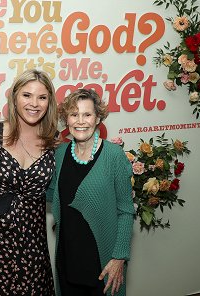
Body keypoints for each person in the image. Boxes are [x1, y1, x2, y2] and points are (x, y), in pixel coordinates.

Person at [0, 69, 58, 295]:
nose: (34, 103)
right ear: (14, 97)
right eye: (27, 95)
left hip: (34, 248)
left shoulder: (54, 141)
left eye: (42, 97)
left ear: (49, 102)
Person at [47, 89, 135, 296]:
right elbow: (51, 195)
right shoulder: (59, 155)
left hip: (103, 262)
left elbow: (125, 211)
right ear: (66, 119)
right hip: (67, 258)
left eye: (87, 114)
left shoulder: (114, 156)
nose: (80, 121)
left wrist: (118, 257)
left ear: (97, 118)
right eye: (74, 114)